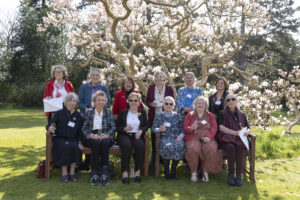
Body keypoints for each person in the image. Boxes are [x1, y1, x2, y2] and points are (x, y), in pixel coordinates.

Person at [47, 93, 84, 183]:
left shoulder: (78, 116)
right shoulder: (59, 113)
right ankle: (64, 172)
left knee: (74, 147)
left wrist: (79, 142)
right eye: (70, 101)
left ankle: (72, 172)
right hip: (60, 138)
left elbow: (80, 131)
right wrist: (50, 128)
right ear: (66, 102)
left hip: (73, 139)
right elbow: (50, 125)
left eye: (74, 101)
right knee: (64, 146)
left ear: (76, 103)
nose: (72, 103)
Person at [184, 97, 222, 182]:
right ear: (195, 105)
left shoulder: (210, 115)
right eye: (198, 103)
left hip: (207, 138)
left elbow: (214, 128)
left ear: (205, 106)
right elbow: (185, 128)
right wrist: (191, 128)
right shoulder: (190, 115)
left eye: (203, 103)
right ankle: (193, 172)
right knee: (191, 148)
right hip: (193, 136)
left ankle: (205, 172)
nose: (200, 105)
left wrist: (208, 137)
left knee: (211, 148)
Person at [216, 94, 251, 186]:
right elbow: (220, 127)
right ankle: (231, 174)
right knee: (231, 147)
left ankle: (238, 175)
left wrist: (247, 132)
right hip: (225, 138)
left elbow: (248, 127)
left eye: (233, 99)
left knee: (239, 148)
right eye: (228, 100)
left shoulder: (242, 114)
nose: (231, 101)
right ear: (226, 103)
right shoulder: (222, 113)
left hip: (239, 139)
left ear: (236, 101)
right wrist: (235, 133)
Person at [82, 91, 116, 186]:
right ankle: (94, 172)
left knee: (105, 143)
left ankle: (104, 171)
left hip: (105, 135)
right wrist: (91, 135)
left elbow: (113, 127)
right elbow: (84, 128)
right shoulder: (89, 112)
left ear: (105, 102)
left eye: (103, 100)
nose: (101, 102)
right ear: (94, 101)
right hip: (92, 135)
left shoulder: (108, 112)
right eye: (99, 100)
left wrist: (107, 135)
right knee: (96, 143)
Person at [146, 71, 175, 175]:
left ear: (164, 78)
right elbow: (147, 101)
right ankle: (153, 164)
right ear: (155, 78)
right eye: (157, 77)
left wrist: (166, 106)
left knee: (165, 136)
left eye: (161, 77)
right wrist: (151, 104)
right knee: (155, 139)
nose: (159, 79)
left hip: (166, 116)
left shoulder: (169, 88)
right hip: (154, 115)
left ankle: (164, 161)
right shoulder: (150, 87)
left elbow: (172, 101)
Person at [116, 92, 148, 184]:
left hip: (137, 135)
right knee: (127, 146)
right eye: (131, 100)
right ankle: (125, 173)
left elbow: (146, 125)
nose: (133, 102)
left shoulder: (142, 112)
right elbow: (117, 128)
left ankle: (137, 172)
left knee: (140, 145)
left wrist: (141, 131)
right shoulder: (123, 113)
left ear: (139, 102)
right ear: (128, 101)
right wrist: (125, 128)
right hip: (124, 135)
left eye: (135, 100)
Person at [152, 96, 184, 180]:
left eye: (171, 104)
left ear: (174, 106)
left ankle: (173, 171)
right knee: (165, 146)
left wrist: (181, 136)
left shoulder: (178, 116)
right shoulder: (159, 116)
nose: (168, 105)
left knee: (180, 146)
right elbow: (153, 129)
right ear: (163, 105)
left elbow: (183, 129)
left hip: (176, 137)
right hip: (164, 137)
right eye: (166, 103)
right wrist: (159, 129)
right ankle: (166, 171)